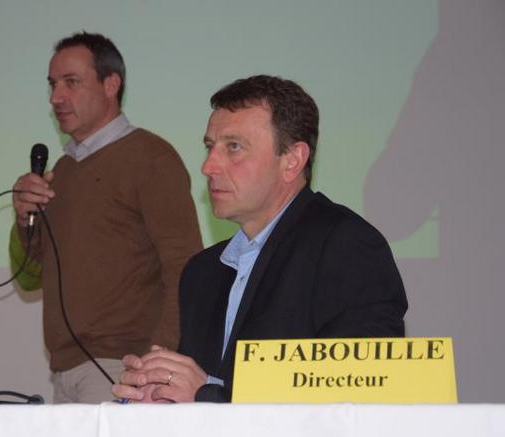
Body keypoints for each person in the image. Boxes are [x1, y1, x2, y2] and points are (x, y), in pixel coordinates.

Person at [112, 75, 408, 403]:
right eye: (210, 147)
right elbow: (202, 397)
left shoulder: (347, 245)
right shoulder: (202, 272)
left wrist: (206, 394)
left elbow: (361, 396)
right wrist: (163, 396)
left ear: (292, 160)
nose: (208, 166)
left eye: (233, 147)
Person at [10, 32, 202, 403]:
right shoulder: (61, 171)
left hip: (124, 367)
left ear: (111, 84)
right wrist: (24, 219)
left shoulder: (150, 157)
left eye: (71, 82)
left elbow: (185, 267)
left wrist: (155, 364)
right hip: (64, 369)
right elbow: (32, 275)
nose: (55, 98)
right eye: (52, 84)